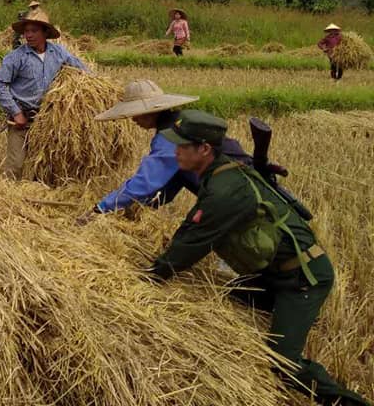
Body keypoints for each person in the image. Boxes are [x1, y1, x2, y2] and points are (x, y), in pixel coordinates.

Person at [145, 110, 370, 406]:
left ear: (204, 149)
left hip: (300, 278)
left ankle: (350, 402)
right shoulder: (220, 174)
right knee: (228, 296)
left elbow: (193, 242)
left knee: (282, 363)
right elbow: (191, 228)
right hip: (272, 273)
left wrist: (150, 277)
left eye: (182, 146)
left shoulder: (226, 190)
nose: (176, 152)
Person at [77, 80, 252, 225]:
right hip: (234, 189)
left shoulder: (172, 136)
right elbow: (170, 183)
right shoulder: (179, 122)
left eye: (136, 113)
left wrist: (101, 209)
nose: (133, 119)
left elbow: (145, 181)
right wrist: (140, 207)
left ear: (151, 111)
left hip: (238, 192)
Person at [0, 8, 87, 180]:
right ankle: (6, 200)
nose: (29, 35)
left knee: (43, 168)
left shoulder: (58, 53)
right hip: (21, 120)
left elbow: (82, 70)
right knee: (16, 165)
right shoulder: (16, 57)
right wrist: (16, 113)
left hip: (47, 121)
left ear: (45, 32)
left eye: (34, 31)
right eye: (26, 31)